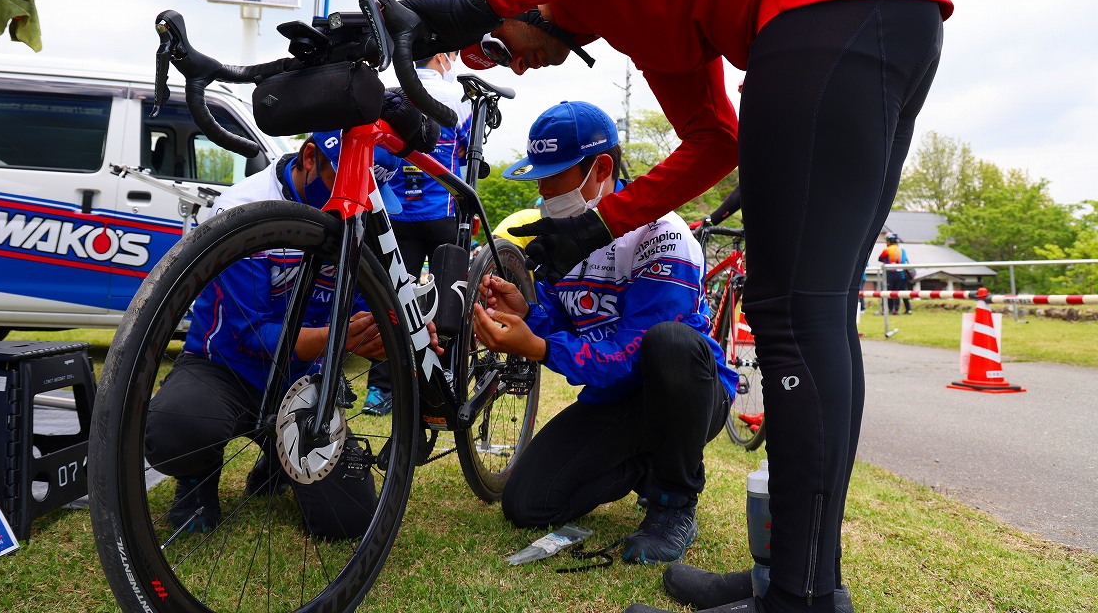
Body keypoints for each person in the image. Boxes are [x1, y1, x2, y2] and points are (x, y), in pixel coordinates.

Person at [401, 0, 950, 613]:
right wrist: (596, 226)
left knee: (793, 313)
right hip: (882, 2)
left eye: (491, 45)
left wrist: (472, 3)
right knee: (813, 310)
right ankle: (800, 581)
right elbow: (713, 137)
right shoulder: (644, 18)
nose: (509, 68)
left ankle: (797, 597)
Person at [470, 101, 737, 564]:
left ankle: (674, 502)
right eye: (539, 174)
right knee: (527, 504)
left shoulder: (664, 234)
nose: (542, 188)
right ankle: (649, 466)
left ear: (601, 169)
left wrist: (535, 346)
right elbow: (565, 315)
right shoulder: (563, 231)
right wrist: (529, 313)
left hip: (685, 394)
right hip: (616, 401)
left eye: (554, 175)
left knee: (669, 345)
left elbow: (633, 354)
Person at [143, 131, 422, 538]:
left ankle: (277, 459)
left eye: (369, 193)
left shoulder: (363, 212)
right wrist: (339, 339)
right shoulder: (242, 207)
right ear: (310, 157)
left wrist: (390, 335)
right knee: (176, 428)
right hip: (225, 369)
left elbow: (368, 309)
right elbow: (252, 334)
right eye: (344, 185)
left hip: (306, 379)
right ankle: (196, 479)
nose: (354, 205)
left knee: (348, 522)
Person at [362, 52, 473, 416]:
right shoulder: (456, 94)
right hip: (443, 212)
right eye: (452, 56)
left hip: (397, 215)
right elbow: (467, 150)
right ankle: (450, 380)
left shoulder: (392, 91)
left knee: (391, 302)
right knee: (449, 303)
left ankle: (379, 392)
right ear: (442, 56)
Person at [878, 233, 913, 314]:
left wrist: (886, 260)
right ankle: (897, 310)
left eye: (887, 241)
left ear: (889, 241)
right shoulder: (902, 250)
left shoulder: (887, 249)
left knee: (889, 292)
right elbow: (903, 261)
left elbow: (879, 258)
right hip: (901, 274)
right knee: (899, 292)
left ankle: (889, 309)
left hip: (890, 272)